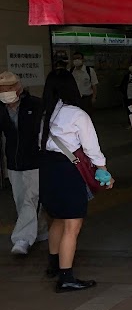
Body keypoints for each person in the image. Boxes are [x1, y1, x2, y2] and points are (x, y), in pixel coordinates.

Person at [39, 69, 113, 292]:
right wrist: (103, 171)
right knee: (72, 225)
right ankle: (66, 277)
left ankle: (53, 265)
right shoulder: (76, 114)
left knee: (58, 220)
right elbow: (92, 148)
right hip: (68, 173)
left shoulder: (44, 114)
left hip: (47, 170)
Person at [0, 71, 47, 255]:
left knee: (31, 199)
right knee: (21, 199)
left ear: (18, 87)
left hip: (35, 160)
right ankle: (41, 230)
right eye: (2, 89)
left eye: (9, 88)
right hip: (13, 161)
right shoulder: (1, 108)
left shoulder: (35, 105)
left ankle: (22, 239)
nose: (5, 92)